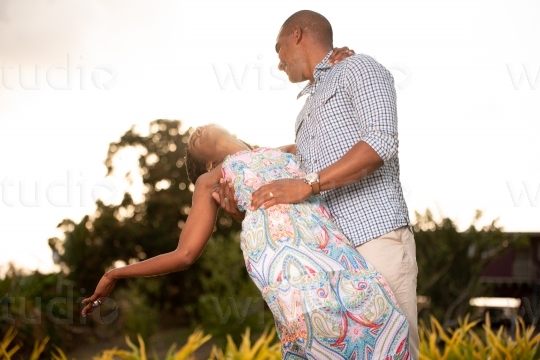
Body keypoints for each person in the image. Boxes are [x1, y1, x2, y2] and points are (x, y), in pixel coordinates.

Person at [82, 123, 409, 359]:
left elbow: (345, 158)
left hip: (339, 257)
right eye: (192, 143)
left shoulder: (287, 151)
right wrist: (115, 274)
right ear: (207, 164)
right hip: (291, 276)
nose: (197, 130)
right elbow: (184, 254)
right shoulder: (211, 178)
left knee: (386, 333)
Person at [216, 10, 419, 359]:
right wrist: (245, 210)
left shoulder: (359, 68)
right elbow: (293, 186)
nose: (279, 64)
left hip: (375, 236)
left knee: (394, 351)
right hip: (330, 258)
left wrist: (309, 183)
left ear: (297, 35)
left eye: (278, 49)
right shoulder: (305, 112)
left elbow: (381, 142)